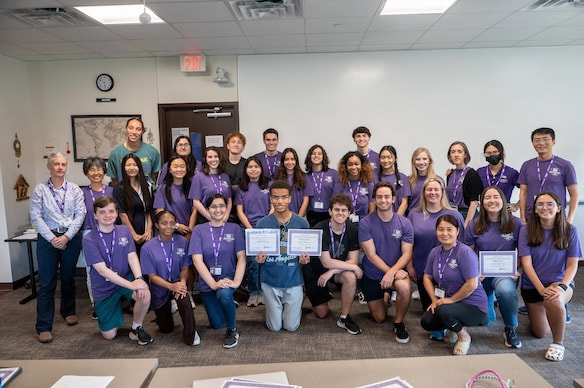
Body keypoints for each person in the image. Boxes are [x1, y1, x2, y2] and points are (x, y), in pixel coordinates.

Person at [30, 152, 86, 343]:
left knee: (68, 277)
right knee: (47, 282)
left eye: (63, 164)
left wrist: (66, 236)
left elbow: (81, 214)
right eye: (56, 164)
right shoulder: (40, 190)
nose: (60, 167)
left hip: (70, 237)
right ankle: (44, 326)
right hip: (48, 239)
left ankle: (68, 311)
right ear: (49, 167)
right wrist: (53, 238)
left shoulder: (75, 189)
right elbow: (35, 217)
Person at [82, 196, 153, 345]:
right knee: (109, 336)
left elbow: (132, 256)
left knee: (145, 294)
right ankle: (113, 313)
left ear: (116, 213)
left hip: (125, 279)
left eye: (111, 211)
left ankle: (136, 328)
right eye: (102, 212)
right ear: (95, 215)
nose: (107, 215)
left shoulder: (124, 230)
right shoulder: (89, 239)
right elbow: (102, 270)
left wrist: (139, 278)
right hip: (103, 287)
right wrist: (132, 285)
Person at [519, 192, 581, 361]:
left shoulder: (570, 230)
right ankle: (555, 309)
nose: (544, 207)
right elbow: (527, 264)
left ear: (559, 208)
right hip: (533, 286)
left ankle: (558, 344)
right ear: (535, 209)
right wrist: (541, 289)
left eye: (550, 204)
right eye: (540, 204)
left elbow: (572, 265)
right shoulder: (526, 230)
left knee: (553, 300)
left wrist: (561, 287)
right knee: (540, 332)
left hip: (560, 282)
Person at [464, 186, 524, 349]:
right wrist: (474, 272)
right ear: (482, 203)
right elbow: (467, 252)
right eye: (487, 198)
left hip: (505, 274)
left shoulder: (516, 224)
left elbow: (523, 253)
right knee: (486, 320)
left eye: (496, 197)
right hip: (480, 273)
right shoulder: (474, 224)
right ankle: (486, 301)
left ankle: (510, 329)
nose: (492, 201)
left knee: (505, 290)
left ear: (503, 201)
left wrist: (515, 267)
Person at [421, 214, 488, 355]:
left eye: (449, 229)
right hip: (450, 303)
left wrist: (450, 300)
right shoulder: (435, 251)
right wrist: (434, 300)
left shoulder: (465, 253)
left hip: (473, 306)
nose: (445, 233)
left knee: (442, 311)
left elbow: (472, 284)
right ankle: (454, 328)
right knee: (427, 321)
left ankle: (464, 336)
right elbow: (427, 277)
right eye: (440, 229)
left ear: (457, 231)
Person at [359, 181, 413, 344]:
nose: (383, 200)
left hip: (395, 273)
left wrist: (392, 272)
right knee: (379, 318)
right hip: (373, 274)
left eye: (387, 197)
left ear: (394, 199)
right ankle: (386, 295)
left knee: (404, 287)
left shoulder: (405, 223)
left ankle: (398, 323)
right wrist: (389, 272)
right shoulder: (365, 223)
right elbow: (371, 255)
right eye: (379, 197)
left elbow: (407, 253)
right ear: (374, 199)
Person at [190, 194, 246, 348]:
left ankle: (232, 329)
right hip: (208, 281)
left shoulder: (234, 228)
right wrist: (214, 284)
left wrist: (235, 282)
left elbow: (242, 258)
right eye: (213, 206)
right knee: (216, 324)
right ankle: (227, 304)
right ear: (207, 210)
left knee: (224, 293)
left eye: (221, 206)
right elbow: (197, 260)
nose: (218, 210)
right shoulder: (199, 230)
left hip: (227, 277)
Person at [302, 194, 362, 334]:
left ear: (349, 213)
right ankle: (313, 296)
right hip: (316, 270)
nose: (340, 213)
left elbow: (353, 259)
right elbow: (326, 261)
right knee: (322, 313)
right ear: (330, 212)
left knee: (350, 277)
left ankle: (344, 317)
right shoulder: (319, 229)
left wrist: (332, 272)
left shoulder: (352, 230)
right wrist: (353, 266)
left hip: (334, 270)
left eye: (343, 210)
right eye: (336, 210)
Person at [256, 180, 310, 332]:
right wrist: (259, 259)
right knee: (275, 327)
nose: (280, 201)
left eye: (284, 197)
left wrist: (305, 260)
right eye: (275, 197)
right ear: (271, 199)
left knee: (291, 327)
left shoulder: (301, 223)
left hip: (293, 280)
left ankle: (293, 307)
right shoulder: (262, 224)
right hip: (270, 280)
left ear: (290, 198)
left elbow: (307, 252)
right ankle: (275, 308)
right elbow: (257, 253)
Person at [407, 178, 464, 322]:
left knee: (448, 310)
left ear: (442, 192)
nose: (433, 192)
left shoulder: (454, 215)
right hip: (423, 270)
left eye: (436, 189)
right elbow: (408, 244)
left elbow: (463, 245)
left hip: (451, 272)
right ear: (424, 193)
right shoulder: (414, 214)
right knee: (430, 313)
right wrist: (410, 266)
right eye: (429, 189)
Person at [140, 210, 199, 346]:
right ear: (156, 225)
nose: (168, 226)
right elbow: (152, 276)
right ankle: (165, 309)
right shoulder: (147, 248)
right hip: (160, 288)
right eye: (164, 223)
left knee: (184, 299)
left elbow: (185, 268)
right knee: (166, 329)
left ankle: (191, 334)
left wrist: (182, 283)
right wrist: (171, 286)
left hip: (178, 283)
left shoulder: (183, 241)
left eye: (172, 223)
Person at [519, 127, 578, 224]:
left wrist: (570, 219)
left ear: (553, 142)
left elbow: (574, 194)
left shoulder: (565, 165)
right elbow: (523, 193)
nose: (541, 143)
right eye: (537, 140)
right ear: (533, 144)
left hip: (557, 218)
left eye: (545, 139)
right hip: (532, 218)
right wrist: (522, 217)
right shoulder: (527, 165)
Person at [235, 156, 271, 307]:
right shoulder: (242, 188)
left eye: (256, 166)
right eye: (250, 167)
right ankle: (254, 292)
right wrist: (251, 229)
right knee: (252, 263)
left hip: (266, 228)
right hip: (248, 229)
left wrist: (264, 225)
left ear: (261, 168)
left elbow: (274, 206)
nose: (253, 169)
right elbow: (239, 211)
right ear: (246, 170)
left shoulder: (269, 184)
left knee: (266, 262)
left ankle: (264, 292)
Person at [80, 157, 114, 319]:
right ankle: (96, 304)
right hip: (90, 235)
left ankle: (113, 302)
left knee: (112, 268)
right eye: (92, 169)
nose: (96, 173)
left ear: (104, 171)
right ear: (86, 173)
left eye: (99, 169)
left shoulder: (111, 191)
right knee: (92, 272)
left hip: (110, 233)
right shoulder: (81, 193)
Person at [113, 154, 153, 256]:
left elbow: (149, 210)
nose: (131, 168)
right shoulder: (119, 188)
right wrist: (133, 234)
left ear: (139, 167)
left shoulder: (147, 186)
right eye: (128, 165)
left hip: (146, 233)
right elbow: (122, 214)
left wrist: (148, 231)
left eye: (134, 165)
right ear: (123, 168)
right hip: (129, 233)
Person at [108, 117, 161, 186]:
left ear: (142, 132)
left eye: (138, 129)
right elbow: (114, 180)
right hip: (123, 194)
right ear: (126, 129)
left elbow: (154, 177)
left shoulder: (152, 152)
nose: (134, 132)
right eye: (131, 128)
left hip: (146, 193)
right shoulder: (115, 153)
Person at [154, 155, 196, 237]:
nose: (179, 169)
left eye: (182, 166)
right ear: (169, 170)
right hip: (169, 232)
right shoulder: (162, 188)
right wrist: (176, 226)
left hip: (189, 231)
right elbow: (160, 212)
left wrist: (189, 231)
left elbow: (195, 210)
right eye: (175, 167)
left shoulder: (192, 186)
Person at [189, 146, 232, 224]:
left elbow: (229, 199)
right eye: (210, 157)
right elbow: (196, 201)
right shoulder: (198, 177)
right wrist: (211, 218)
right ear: (206, 159)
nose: (213, 160)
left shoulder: (225, 177)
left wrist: (226, 216)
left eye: (216, 156)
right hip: (206, 219)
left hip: (224, 219)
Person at [446, 141, 483, 227]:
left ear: (465, 155)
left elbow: (474, 202)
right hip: (453, 212)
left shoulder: (471, 174)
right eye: (453, 152)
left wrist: (466, 224)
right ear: (450, 155)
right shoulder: (450, 174)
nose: (456, 155)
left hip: (467, 214)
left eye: (459, 151)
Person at [476, 140, 519, 209]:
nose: (492, 155)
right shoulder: (480, 172)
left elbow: (526, 191)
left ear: (501, 153)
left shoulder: (511, 172)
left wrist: (516, 207)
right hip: (485, 213)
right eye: (488, 153)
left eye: (495, 152)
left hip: (504, 214)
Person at [304, 144, 340, 226]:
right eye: (313, 153)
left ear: (323, 156)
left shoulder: (334, 174)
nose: (316, 156)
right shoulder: (306, 176)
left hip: (329, 213)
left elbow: (337, 195)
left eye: (319, 153)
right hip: (312, 215)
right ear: (309, 156)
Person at [337, 151, 375, 224]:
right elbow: (336, 205)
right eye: (350, 165)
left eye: (356, 164)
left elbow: (372, 209)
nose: (353, 167)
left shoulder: (368, 183)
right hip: (344, 222)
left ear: (362, 165)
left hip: (365, 222)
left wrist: (368, 224)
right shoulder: (340, 183)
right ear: (345, 166)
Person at [275, 147, 312, 217]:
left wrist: (299, 218)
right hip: (281, 217)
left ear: (296, 161)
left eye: (292, 159)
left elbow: (306, 199)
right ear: (283, 161)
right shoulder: (277, 179)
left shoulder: (304, 177)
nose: (289, 162)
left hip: (300, 216)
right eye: (287, 159)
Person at [378, 145, 410, 215]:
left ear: (395, 158)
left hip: (398, 219)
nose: (386, 160)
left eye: (389, 157)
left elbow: (404, 202)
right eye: (383, 157)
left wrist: (396, 220)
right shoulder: (374, 178)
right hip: (379, 219)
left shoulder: (403, 177)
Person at [408, 147, 440, 213]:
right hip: (412, 219)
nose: (421, 162)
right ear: (413, 162)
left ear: (430, 161)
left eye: (424, 159)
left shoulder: (438, 181)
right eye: (418, 159)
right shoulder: (408, 181)